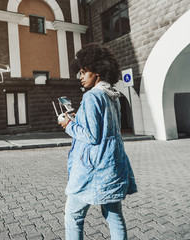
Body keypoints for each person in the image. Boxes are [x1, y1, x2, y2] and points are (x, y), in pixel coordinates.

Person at [58, 43, 137, 240]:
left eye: (85, 72)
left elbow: (92, 136)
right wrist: (78, 118)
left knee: (73, 215)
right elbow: (104, 128)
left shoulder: (92, 96)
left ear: (98, 72)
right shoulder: (112, 96)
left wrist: (67, 124)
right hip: (112, 164)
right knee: (113, 215)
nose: (81, 76)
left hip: (92, 168)